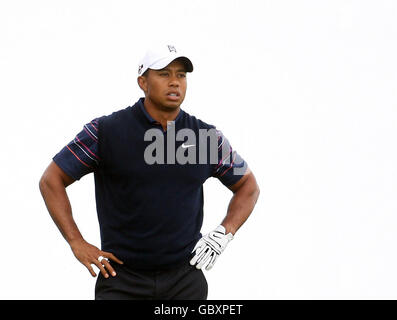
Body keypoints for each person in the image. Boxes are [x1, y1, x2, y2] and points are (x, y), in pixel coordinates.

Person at [39, 44, 260, 300]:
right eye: (164, 74)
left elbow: (248, 186)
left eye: (181, 75)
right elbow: (51, 180)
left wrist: (225, 232)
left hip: (184, 280)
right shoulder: (106, 131)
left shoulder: (206, 138)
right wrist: (76, 242)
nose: (175, 82)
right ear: (143, 82)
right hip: (122, 281)